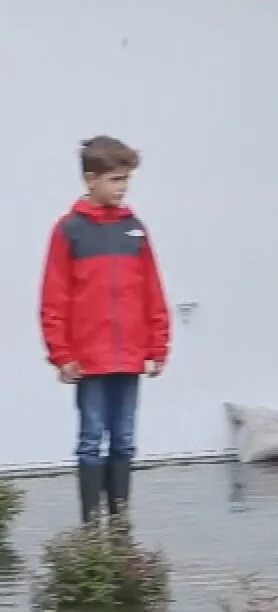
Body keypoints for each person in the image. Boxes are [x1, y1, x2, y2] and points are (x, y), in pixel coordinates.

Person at [39, 136, 172, 522]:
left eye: (126, 180)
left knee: (125, 440)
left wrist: (158, 346)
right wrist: (61, 354)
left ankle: (120, 524)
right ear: (91, 179)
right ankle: (90, 528)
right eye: (116, 179)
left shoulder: (136, 230)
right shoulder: (69, 231)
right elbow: (53, 297)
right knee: (91, 439)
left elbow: (153, 291)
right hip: (89, 360)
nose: (123, 188)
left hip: (130, 357)